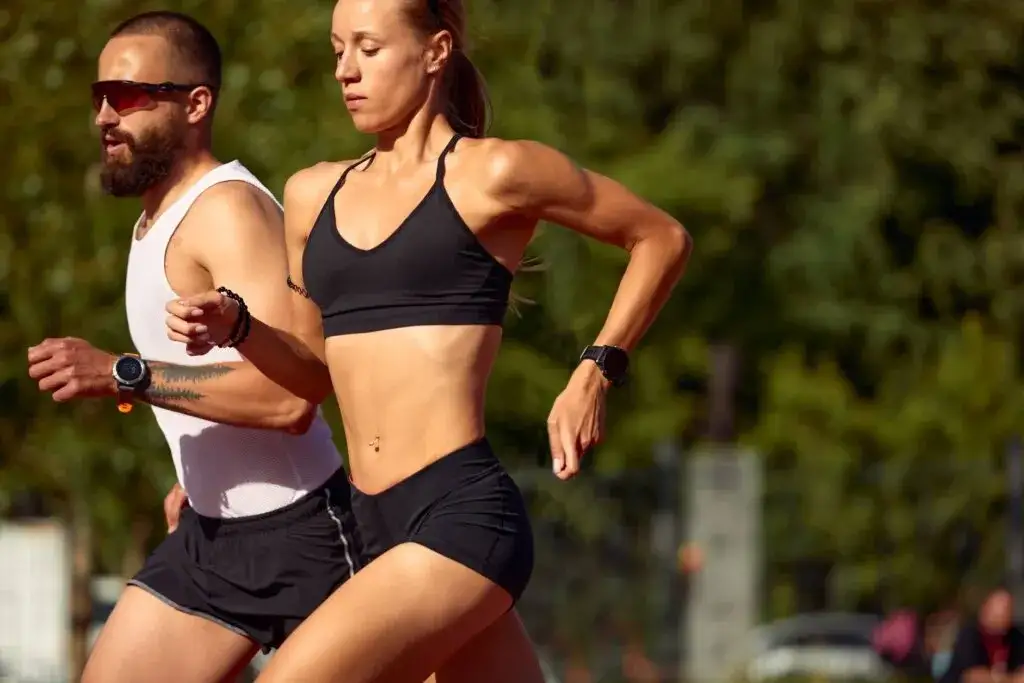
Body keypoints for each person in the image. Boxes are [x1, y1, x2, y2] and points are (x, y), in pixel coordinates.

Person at [165, 0, 692, 680]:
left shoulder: (495, 173)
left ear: (436, 52)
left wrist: (594, 370)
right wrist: (238, 327)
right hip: (369, 526)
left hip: (459, 515)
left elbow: (660, 237)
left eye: (368, 48)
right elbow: (310, 374)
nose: (345, 70)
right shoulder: (310, 194)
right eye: (336, 51)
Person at [25, 11, 361, 683]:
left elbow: (293, 394)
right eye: (97, 97)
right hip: (212, 538)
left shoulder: (227, 210)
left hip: (305, 537)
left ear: (196, 103)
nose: (103, 117)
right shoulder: (159, 214)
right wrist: (200, 466)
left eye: (126, 97)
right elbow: (222, 374)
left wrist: (125, 374)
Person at [941, 587, 1024, 683]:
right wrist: (1008, 679)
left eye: (1008, 609)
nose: (1005, 614)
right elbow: (973, 676)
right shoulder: (970, 635)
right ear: (986, 610)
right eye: (1001, 609)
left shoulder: (1017, 637)